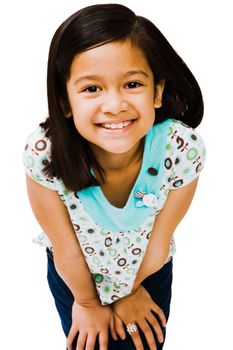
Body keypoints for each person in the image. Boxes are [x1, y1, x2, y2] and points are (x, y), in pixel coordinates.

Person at [23, 3, 206, 350]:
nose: (114, 104)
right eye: (92, 89)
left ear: (157, 92)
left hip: (148, 271)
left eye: (132, 84)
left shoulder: (181, 149)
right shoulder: (44, 154)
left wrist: (131, 292)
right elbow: (65, 248)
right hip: (75, 275)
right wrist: (89, 304)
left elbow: (160, 240)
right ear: (65, 101)